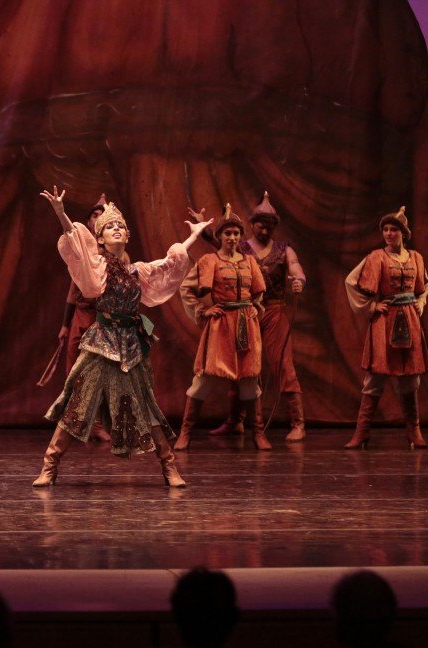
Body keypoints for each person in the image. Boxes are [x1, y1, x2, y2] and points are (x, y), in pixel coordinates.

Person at [34, 187, 209, 487]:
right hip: (101, 343)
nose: (116, 228)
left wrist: (193, 236)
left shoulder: (137, 271)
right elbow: (76, 244)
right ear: (100, 238)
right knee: (79, 402)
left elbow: (169, 263)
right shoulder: (98, 268)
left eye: (120, 226)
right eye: (109, 227)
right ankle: (49, 465)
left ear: (128, 235)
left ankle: (169, 466)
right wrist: (61, 214)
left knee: (146, 404)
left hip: (130, 345)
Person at [209, 192, 308, 442]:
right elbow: (218, 245)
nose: (265, 229)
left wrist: (298, 280)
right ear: (252, 224)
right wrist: (202, 230)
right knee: (239, 365)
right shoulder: (240, 247)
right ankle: (236, 420)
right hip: (246, 313)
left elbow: (295, 267)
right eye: (261, 225)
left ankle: (298, 423)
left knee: (282, 364)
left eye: (269, 225)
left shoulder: (283, 250)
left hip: (273, 311)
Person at [176, 204, 271, 451]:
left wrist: (255, 308)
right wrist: (202, 310)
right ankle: (185, 432)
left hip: (245, 326)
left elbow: (258, 292)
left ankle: (258, 433)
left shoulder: (249, 261)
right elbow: (186, 289)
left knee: (249, 379)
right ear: (219, 236)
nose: (232, 238)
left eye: (236, 233)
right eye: (228, 233)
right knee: (204, 380)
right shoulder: (209, 261)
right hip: (221, 326)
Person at [344, 206, 428, 449]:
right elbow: (351, 282)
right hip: (385, 321)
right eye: (386, 229)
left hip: (409, 320)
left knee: (410, 376)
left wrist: (421, 302)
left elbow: (424, 285)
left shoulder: (416, 258)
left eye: (394, 229)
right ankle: (362, 432)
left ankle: (413, 430)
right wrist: (371, 307)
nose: (389, 234)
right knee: (376, 375)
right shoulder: (376, 257)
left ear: (404, 233)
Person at [57, 194, 110, 442]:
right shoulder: (81, 250)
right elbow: (72, 291)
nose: (97, 219)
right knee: (75, 371)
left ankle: (97, 424)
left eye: (103, 216)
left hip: (103, 317)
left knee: (99, 371)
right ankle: (75, 422)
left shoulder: (116, 252)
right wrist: (65, 325)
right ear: (88, 221)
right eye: (94, 215)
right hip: (81, 315)